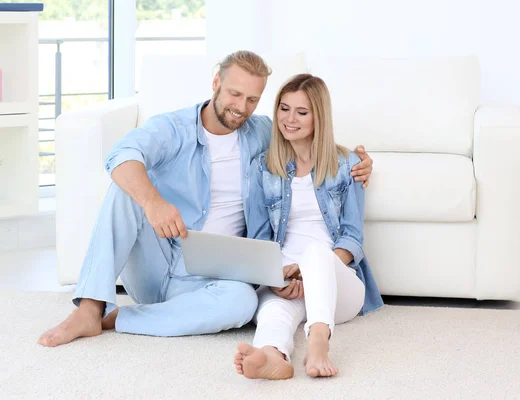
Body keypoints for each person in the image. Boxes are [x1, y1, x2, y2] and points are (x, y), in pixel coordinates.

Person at [38, 51, 374, 347]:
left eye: (252, 99)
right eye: (234, 93)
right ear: (216, 82)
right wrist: (154, 203)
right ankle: (89, 309)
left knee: (243, 303)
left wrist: (359, 161)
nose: (241, 107)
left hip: (209, 280)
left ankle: (119, 321)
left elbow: (308, 135)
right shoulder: (174, 128)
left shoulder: (260, 132)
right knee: (125, 189)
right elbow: (120, 156)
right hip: (157, 262)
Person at [233, 74, 383, 380]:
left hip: (338, 282)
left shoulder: (347, 163)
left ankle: (318, 341)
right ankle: (272, 356)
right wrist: (274, 277)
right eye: (284, 109)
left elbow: (352, 238)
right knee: (274, 312)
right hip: (283, 277)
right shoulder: (262, 168)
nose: (289, 120)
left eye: (301, 112)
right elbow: (259, 239)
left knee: (315, 252)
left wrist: (308, 267)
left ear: (319, 117)